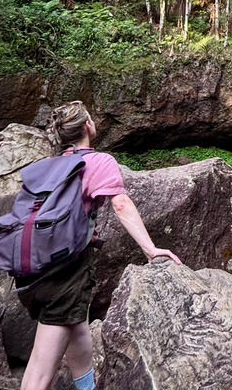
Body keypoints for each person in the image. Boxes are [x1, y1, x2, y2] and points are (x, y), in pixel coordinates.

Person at [17, 101, 181, 390]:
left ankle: (87, 387)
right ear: (88, 127)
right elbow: (121, 204)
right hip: (64, 270)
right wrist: (150, 249)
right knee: (39, 373)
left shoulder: (44, 167)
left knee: (77, 325)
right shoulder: (98, 161)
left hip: (28, 267)